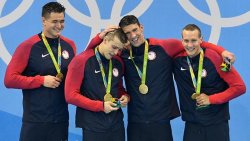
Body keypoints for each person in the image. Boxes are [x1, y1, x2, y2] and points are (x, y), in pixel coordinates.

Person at [86, 15, 235, 141]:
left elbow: (195, 44)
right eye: (127, 33)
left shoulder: (164, 46)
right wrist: (100, 36)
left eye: (135, 30)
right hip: (136, 122)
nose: (133, 35)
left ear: (141, 27)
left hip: (161, 122)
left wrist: (221, 51)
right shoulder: (122, 54)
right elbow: (90, 55)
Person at [4, 2, 76, 141]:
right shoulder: (28, 46)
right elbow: (9, 79)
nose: (59, 26)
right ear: (43, 21)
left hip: (61, 121)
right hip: (35, 122)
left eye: (62, 21)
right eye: (54, 21)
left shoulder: (70, 45)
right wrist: (41, 80)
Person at [173, 24, 246, 141]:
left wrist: (211, 99)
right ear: (182, 41)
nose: (190, 45)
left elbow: (239, 87)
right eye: (186, 41)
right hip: (192, 125)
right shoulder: (176, 60)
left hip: (216, 124)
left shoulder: (216, 58)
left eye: (194, 40)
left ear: (201, 39)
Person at [65, 28, 129, 141]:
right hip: (93, 126)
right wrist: (101, 106)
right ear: (105, 40)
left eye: (119, 49)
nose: (115, 52)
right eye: (114, 47)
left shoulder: (118, 62)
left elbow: (118, 88)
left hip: (117, 125)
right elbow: (70, 96)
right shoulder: (81, 60)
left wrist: (125, 96)